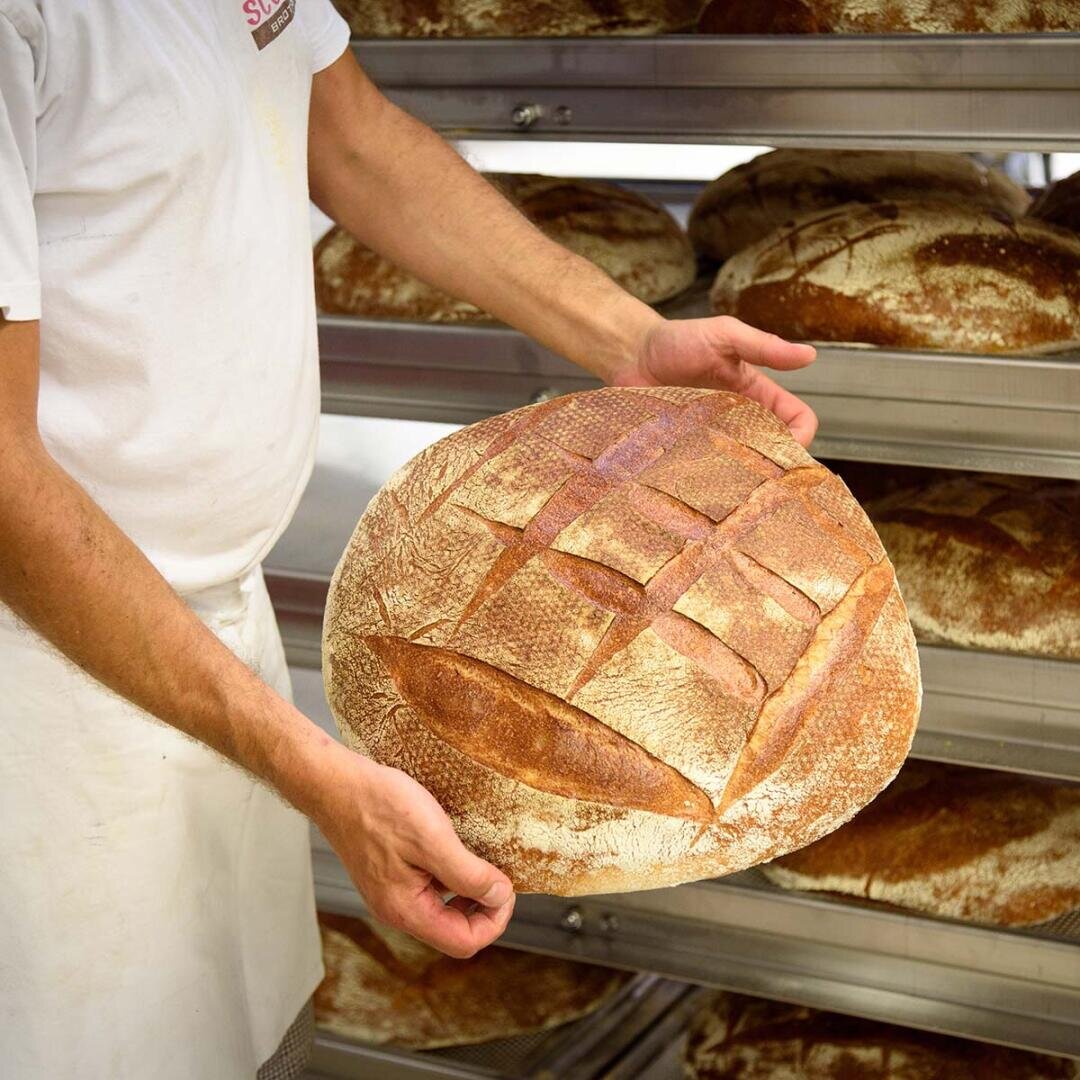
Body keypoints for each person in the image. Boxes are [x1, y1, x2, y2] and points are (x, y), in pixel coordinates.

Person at [0, 2, 817, 1076]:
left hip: (204, 650)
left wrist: (631, 336)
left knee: (246, 1040)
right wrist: (316, 773)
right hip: (43, 693)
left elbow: (345, 132)